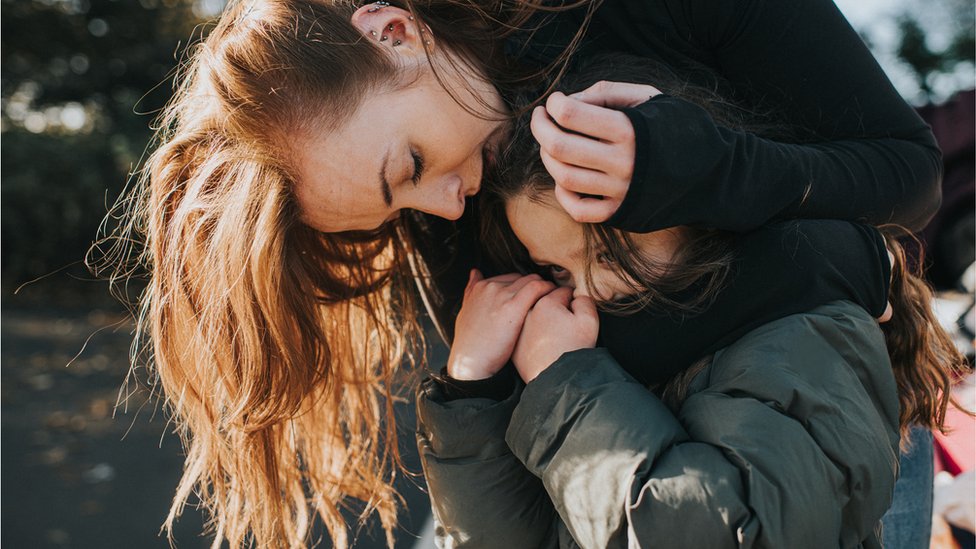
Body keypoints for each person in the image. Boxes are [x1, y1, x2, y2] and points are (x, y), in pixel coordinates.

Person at [91, 1, 943, 547]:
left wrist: (712, 171)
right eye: (400, 207)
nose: (448, 208)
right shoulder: (440, 197)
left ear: (396, 32)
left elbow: (908, 177)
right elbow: (521, 466)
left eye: (414, 162)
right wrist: (473, 391)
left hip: (821, 435)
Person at [414, 60, 965, 545]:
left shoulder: (804, 336)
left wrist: (566, 387)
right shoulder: (601, 369)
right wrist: (473, 391)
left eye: (610, 252)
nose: (589, 294)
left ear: (696, 208)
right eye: (557, 270)